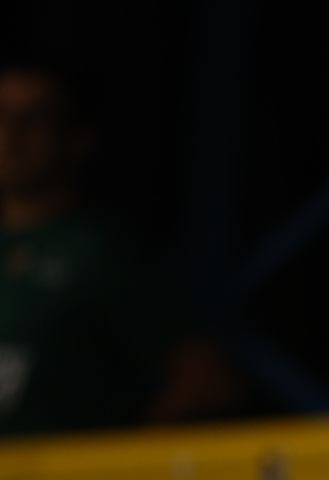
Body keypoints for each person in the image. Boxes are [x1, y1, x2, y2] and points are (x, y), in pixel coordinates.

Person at [0, 62, 233, 434]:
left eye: (35, 118)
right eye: (2, 115)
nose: (12, 134)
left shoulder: (98, 253)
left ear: (78, 139)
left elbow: (205, 380)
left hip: (66, 466)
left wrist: (122, 458)